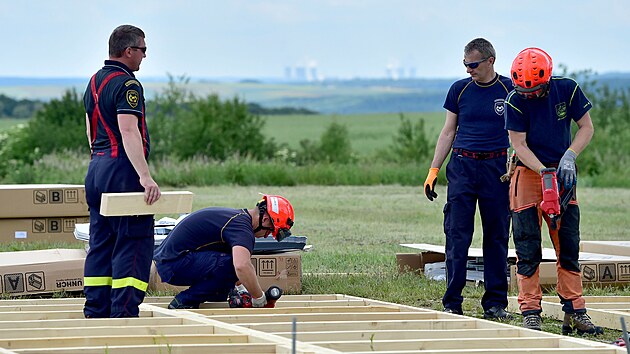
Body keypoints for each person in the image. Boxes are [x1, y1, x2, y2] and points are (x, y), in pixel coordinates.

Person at [504, 47, 602, 335]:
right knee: (527, 245)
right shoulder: (515, 100)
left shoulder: (567, 90)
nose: (528, 94)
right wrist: (543, 171)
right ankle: (531, 310)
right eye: (523, 89)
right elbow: (519, 145)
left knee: (568, 244)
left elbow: (586, 127)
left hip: (563, 174)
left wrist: (570, 156)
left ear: (546, 80)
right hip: (528, 173)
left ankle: (575, 310)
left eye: (533, 90)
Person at [423, 38, 513, 320]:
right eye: (465, 65)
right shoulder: (459, 90)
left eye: (473, 65)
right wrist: (434, 170)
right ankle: (452, 302)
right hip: (462, 165)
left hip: (498, 168)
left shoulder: (509, 89)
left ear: (490, 61)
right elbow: (448, 132)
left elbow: (522, 131)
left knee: (497, 236)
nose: (468, 70)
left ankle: (495, 303)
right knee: (457, 235)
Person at [82, 24, 161, 318]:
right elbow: (129, 132)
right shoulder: (128, 85)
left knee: (101, 242)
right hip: (121, 171)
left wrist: (99, 164)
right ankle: (124, 314)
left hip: (96, 169)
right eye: (142, 50)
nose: (144, 56)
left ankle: (95, 311)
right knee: (134, 240)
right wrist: (144, 176)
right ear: (128, 51)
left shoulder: (93, 82)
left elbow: (91, 132)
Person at [153, 194, 295, 309]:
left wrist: (242, 291)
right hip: (174, 264)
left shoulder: (237, 219)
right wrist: (259, 298)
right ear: (265, 219)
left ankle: (210, 296)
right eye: (270, 231)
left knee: (224, 288)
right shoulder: (242, 229)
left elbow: (237, 270)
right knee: (233, 266)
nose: (266, 236)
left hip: (172, 261)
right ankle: (184, 300)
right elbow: (241, 266)